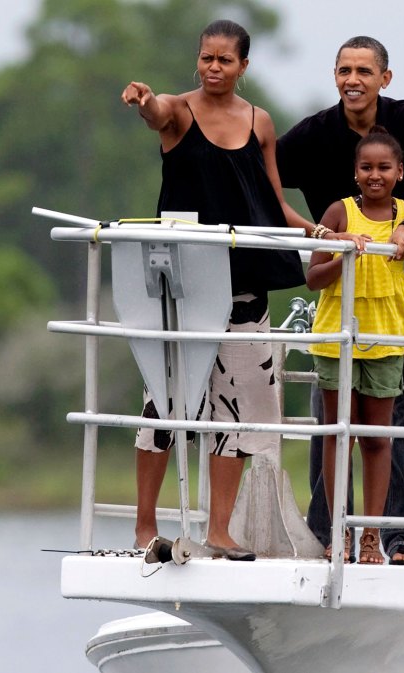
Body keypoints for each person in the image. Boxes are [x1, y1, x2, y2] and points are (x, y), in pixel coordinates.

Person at [121, 19, 317, 560]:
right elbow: (156, 111)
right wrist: (143, 101)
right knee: (163, 402)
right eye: (206, 58)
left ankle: (220, 530)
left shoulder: (260, 122)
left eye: (224, 60)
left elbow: (271, 199)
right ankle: (144, 526)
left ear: (243, 67)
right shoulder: (178, 111)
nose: (213, 67)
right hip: (182, 284)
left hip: (246, 281)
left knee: (242, 405)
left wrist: (314, 232)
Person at [277, 36, 404, 566]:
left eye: (364, 71)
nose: (353, 80)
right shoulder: (314, 133)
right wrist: (315, 233)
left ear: (384, 79)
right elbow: (257, 179)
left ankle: (399, 538)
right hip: (340, 287)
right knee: (334, 417)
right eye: (344, 69)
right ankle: (330, 532)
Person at [307, 127, 404, 564]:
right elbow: (312, 277)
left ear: (400, 173)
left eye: (383, 168)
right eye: (366, 167)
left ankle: (370, 536)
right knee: (339, 434)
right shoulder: (339, 213)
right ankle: (339, 530)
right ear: (354, 172)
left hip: (385, 333)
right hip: (338, 332)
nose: (374, 175)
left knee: (377, 437)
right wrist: (344, 255)